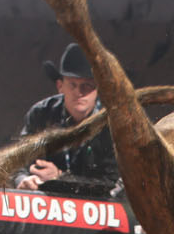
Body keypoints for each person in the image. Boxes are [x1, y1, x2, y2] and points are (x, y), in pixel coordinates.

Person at [12, 43, 118, 195]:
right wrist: (23, 179)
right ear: (60, 86)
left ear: (98, 89)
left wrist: (60, 178)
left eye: (87, 86)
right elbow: (17, 161)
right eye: (72, 85)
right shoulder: (41, 114)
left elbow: (111, 183)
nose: (79, 92)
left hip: (98, 205)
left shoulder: (112, 124)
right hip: (47, 202)